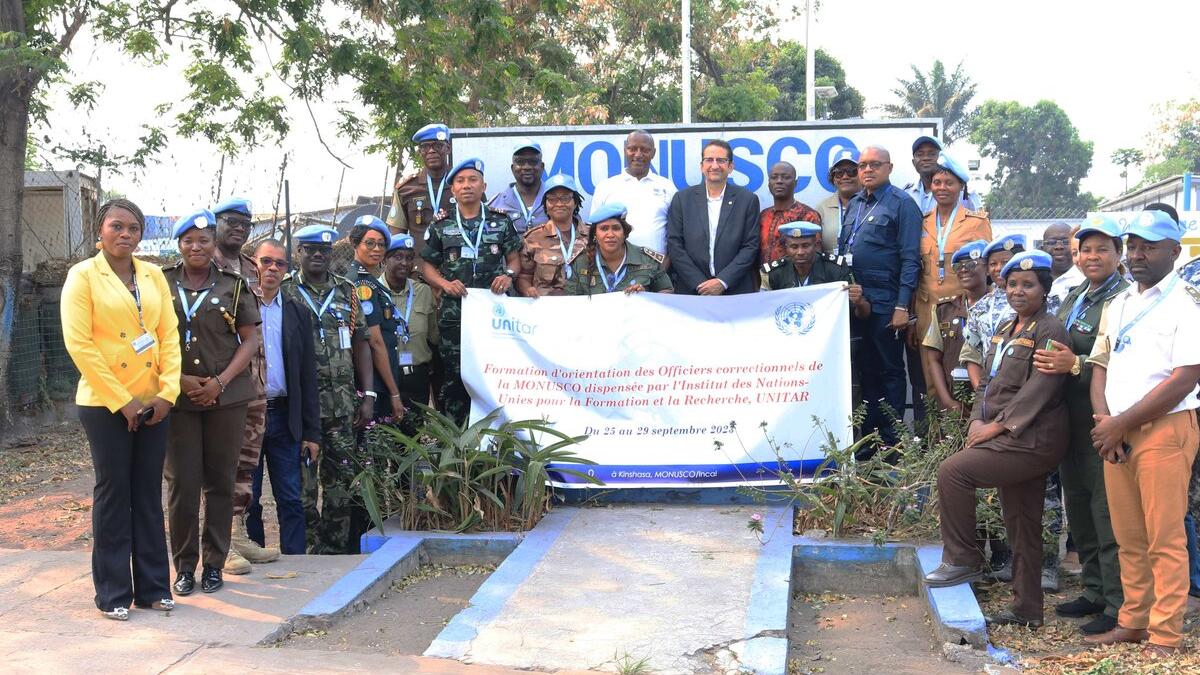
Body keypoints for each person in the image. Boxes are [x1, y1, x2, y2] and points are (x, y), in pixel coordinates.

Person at [924, 250, 1069, 630]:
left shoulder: (1050, 328)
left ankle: (962, 559)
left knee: (953, 472)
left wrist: (998, 427)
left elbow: (1041, 387)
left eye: (1029, 285)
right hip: (1005, 433)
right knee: (1022, 522)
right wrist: (976, 420)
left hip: (1033, 439)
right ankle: (1027, 610)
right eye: (1013, 284)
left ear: (1044, 289)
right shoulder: (1006, 330)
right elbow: (986, 386)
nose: (1019, 291)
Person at [1084, 209, 1200, 657]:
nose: (1136, 255)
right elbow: (1101, 367)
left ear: (1174, 251)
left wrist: (1119, 424)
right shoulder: (1119, 304)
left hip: (1164, 430)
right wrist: (1105, 424)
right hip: (1117, 434)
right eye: (1132, 246)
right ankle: (1133, 621)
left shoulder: (1187, 303)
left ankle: (1166, 633)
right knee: (1129, 535)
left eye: (1148, 247)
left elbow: (1184, 378)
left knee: (1164, 537)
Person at [61, 199, 180, 621]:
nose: (125, 234)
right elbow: (80, 345)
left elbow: (168, 335)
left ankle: (153, 588)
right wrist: (122, 401)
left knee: (147, 492)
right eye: (117, 226)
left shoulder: (152, 276)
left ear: (141, 235)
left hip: (153, 403)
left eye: (133, 228)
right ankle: (112, 592)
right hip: (104, 403)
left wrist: (167, 393)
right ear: (101, 229)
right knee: (114, 493)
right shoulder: (82, 277)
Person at [1031, 215, 1128, 635]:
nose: (1092, 256)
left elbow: (1125, 362)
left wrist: (1076, 364)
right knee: (1080, 508)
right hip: (1067, 418)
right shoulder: (1075, 296)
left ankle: (1118, 600)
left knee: (1106, 512)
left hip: (1103, 417)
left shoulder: (1125, 299)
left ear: (1118, 254)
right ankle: (1092, 589)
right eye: (1086, 249)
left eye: (1102, 249)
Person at [161, 209, 261, 595]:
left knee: (220, 482)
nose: (196, 246)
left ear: (213, 244)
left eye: (204, 240)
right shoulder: (161, 284)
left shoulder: (234, 286)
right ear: (179, 244)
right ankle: (184, 566)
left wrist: (220, 382)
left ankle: (214, 564)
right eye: (189, 240)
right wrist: (178, 380)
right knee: (182, 484)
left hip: (227, 399)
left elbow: (249, 339)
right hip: (178, 399)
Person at [280, 225, 375, 554]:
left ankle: (333, 552)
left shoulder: (348, 291)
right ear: (299, 254)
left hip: (342, 405)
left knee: (340, 485)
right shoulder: (285, 291)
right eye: (310, 250)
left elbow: (362, 343)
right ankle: (308, 549)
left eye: (323, 251)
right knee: (303, 487)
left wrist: (368, 395)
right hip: (303, 408)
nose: (318, 255)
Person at [420, 158, 522, 425]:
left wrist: (508, 276)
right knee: (456, 378)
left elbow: (514, 260)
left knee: (496, 375)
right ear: (452, 189)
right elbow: (427, 267)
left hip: (493, 313)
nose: (467, 186)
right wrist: (443, 284)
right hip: (456, 313)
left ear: (484, 186)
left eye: (473, 180)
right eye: (460, 181)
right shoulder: (440, 226)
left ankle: (497, 440)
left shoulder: (501, 222)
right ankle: (456, 444)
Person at [835, 145, 922, 448]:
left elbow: (911, 259)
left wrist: (902, 305)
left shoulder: (902, 203)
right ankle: (870, 444)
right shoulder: (856, 202)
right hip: (855, 301)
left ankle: (892, 443)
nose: (867, 170)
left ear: (889, 168)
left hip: (886, 302)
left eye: (874, 164)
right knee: (866, 371)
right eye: (862, 166)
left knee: (889, 371)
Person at [209, 197, 278, 575]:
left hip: (255, 383)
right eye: (231, 221)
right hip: (221, 383)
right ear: (216, 223)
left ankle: (235, 534)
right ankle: (216, 542)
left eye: (245, 223)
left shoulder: (252, 267)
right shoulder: (203, 265)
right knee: (218, 462)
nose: (239, 228)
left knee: (246, 463)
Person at [244, 239, 320, 555]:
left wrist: (311, 433)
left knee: (290, 496)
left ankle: (295, 560)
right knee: (249, 496)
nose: (272, 268)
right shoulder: (240, 308)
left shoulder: (297, 313)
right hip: (247, 416)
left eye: (279, 263)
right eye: (266, 261)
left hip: (284, 416)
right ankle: (253, 551)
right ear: (253, 264)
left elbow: (307, 376)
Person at [914, 155, 992, 368]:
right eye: (937, 183)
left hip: (963, 309)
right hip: (927, 311)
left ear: (961, 186)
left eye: (949, 183)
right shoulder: (921, 222)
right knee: (931, 375)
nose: (942, 188)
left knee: (964, 370)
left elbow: (989, 270)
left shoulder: (976, 222)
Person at [666, 139, 761, 296]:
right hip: (692, 291)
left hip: (735, 290)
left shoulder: (747, 200)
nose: (715, 165)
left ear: (730, 167)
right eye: (709, 160)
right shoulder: (682, 199)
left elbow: (750, 246)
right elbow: (675, 245)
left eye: (721, 160)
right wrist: (699, 283)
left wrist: (723, 281)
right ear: (702, 166)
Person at [346, 215, 406, 421]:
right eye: (369, 243)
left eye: (381, 244)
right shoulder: (363, 284)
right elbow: (375, 342)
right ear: (355, 244)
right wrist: (394, 392)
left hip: (377, 378)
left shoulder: (369, 280)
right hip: (374, 381)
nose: (377, 249)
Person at [921, 239, 989, 416]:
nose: (964, 270)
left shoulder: (1002, 308)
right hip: (952, 400)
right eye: (958, 266)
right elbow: (933, 359)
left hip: (990, 399)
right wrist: (947, 401)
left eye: (971, 264)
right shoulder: (944, 310)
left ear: (988, 268)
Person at [379, 234, 437, 428]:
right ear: (385, 259)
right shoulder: (372, 292)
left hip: (417, 376)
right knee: (385, 435)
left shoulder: (423, 292)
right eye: (397, 257)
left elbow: (434, 336)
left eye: (410, 257)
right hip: (386, 375)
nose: (405, 262)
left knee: (415, 435)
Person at [590, 130, 676, 254]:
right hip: (616, 268)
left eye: (645, 150)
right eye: (633, 149)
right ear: (625, 150)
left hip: (658, 268)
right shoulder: (605, 187)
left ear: (653, 153)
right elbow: (595, 231)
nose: (638, 155)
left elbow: (676, 234)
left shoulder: (667, 187)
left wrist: (666, 264)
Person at [959, 234, 1025, 386]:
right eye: (993, 264)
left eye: (1006, 262)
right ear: (987, 270)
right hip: (990, 389)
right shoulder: (980, 308)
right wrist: (981, 392)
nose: (999, 268)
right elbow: (971, 355)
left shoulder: (1037, 302)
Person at [762, 222, 869, 315]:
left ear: (816, 245)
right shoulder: (773, 272)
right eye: (794, 247)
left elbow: (862, 315)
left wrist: (859, 303)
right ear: (786, 248)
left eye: (805, 246)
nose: (800, 252)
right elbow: (763, 312)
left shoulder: (836, 268)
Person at [567, 204, 672, 295]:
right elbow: (571, 301)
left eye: (616, 228)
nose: (610, 234)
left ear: (625, 233)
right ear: (595, 234)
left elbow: (667, 291)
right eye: (604, 229)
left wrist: (645, 296)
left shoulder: (647, 259)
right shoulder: (580, 262)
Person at [386, 123, 454, 258]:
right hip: (418, 272)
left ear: (448, 149)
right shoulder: (406, 189)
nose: (431, 151)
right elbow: (397, 236)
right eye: (425, 147)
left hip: (457, 271)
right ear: (419, 152)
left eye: (438, 146)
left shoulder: (464, 184)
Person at [517, 174, 590, 298]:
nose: (559, 204)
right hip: (546, 309)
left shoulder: (592, 235)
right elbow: (523, 277)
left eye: (566, 198)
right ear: (545, 205)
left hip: (586, 308)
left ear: (576, 202)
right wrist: (528, 290)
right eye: (552, 199)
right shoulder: (533, 238)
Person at [758, 161, 822, 266]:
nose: (779, 181)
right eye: (774, 177)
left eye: (786, 177)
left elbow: (816, 256)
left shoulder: (808, 215)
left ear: (795, 183)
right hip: (763, 279)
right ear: (769, 183)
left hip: (792, 280)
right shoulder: (763, 216)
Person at [903, 136, 979, 213]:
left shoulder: (963, 194)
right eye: (920, 154)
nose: (926, 158)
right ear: (913, 162)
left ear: (941, 158)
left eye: (932, 154)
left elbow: (979, 222)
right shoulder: (907, 193)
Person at [488, 139, 548, 234]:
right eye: (520, 161)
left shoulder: (558, 202)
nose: (527, 167)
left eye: (533, 161)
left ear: (542, 166)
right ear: (512, 168)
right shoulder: (495, 205)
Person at [816, 149, 861, 253]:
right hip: (830, 268)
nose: (845, 177)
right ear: (833, 178)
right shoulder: (822, 208)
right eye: (839, 173)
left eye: (852, 172)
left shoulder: (873, 206)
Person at [1043, 221, 1084, 313]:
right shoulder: (1035, 278)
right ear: (1042, 248)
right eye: (1052, 242)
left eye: (1066, 242)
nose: (1059, 247)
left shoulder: (1084, 279)